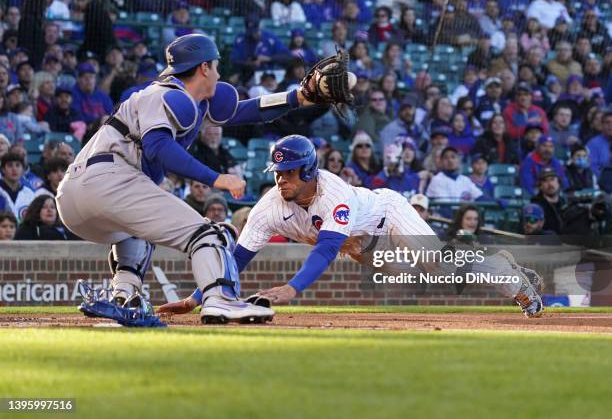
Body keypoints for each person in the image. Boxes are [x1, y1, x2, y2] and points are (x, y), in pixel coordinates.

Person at [55, 34, 330, 326]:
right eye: (215, 66)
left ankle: (124, 295)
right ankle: (220, 300)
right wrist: (216, 178)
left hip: (75, 197)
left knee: (136, 236)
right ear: (203, 68)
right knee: (212, 234)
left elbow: (247, 110)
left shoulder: (185, 100)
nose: (219, 72)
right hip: (109, 179)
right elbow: (158, 147)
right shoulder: (165, 95)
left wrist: (300, 97)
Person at [160, 135, 543, 318]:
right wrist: (197, 298)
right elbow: (237, 257)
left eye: (289, 173)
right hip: (361, 246)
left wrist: (294, 289)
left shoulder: (334, 193)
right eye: (278, 173)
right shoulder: (269, 208)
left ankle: (512, 280)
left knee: (437, 266)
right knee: (418, 278)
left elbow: (325, 249)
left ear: (309, 170)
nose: (281, 180)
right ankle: (497, 265)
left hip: (386, 215)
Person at [0, 152, 35, 222]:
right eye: (10, 166)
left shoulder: (29, 194)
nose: (14, 169)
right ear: (3, 169)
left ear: (23, 170)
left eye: (17, 165)